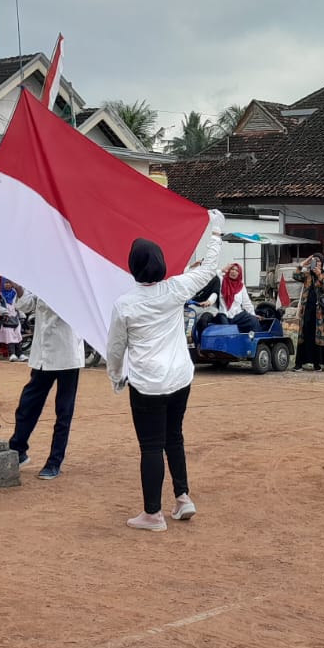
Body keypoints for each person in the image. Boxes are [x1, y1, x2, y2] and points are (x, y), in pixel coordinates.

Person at [106, 211, 225, 532]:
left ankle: (153, 514)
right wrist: (215, 233)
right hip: (180, 377)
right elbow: (210, 269)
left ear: (132, 267)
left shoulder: (125, 304)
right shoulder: (175, 289)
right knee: (174, 437)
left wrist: (115, 376)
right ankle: (183, 497)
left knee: (150, 446)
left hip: (147, 383)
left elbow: (115, 349)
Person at [8, 283, 85, 480]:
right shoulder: (41, 275)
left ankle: (54, 461)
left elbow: (71, 309)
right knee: (28, 402)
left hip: (67, 353)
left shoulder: (75, 281)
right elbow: (28, 305)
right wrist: (19, 288)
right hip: (43, 354)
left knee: (63, 410)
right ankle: (18, 448)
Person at [290, 253, 324, 371]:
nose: (316, 263)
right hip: (307, 309)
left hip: (321, 311)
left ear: (322, 263)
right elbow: (295, 275)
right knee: (305, 334)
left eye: (319, 261)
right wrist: (302, 264)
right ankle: (299, 364)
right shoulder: (307, 274)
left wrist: (319, 275)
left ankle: (318, 364)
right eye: (314, 261)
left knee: (318, 335)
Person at [199, 262, 262, 334]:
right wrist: (222, 270)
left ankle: (257, 343)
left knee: (253, 321)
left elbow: (246, 303)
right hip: (223, 313)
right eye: (232, 269)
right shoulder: (221, 280)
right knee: (227, 330)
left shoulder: (241, 286)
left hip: (237, 314)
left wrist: (253, 314)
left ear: (239, 274)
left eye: (237, 270)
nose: (234, 272)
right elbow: (211, 275)